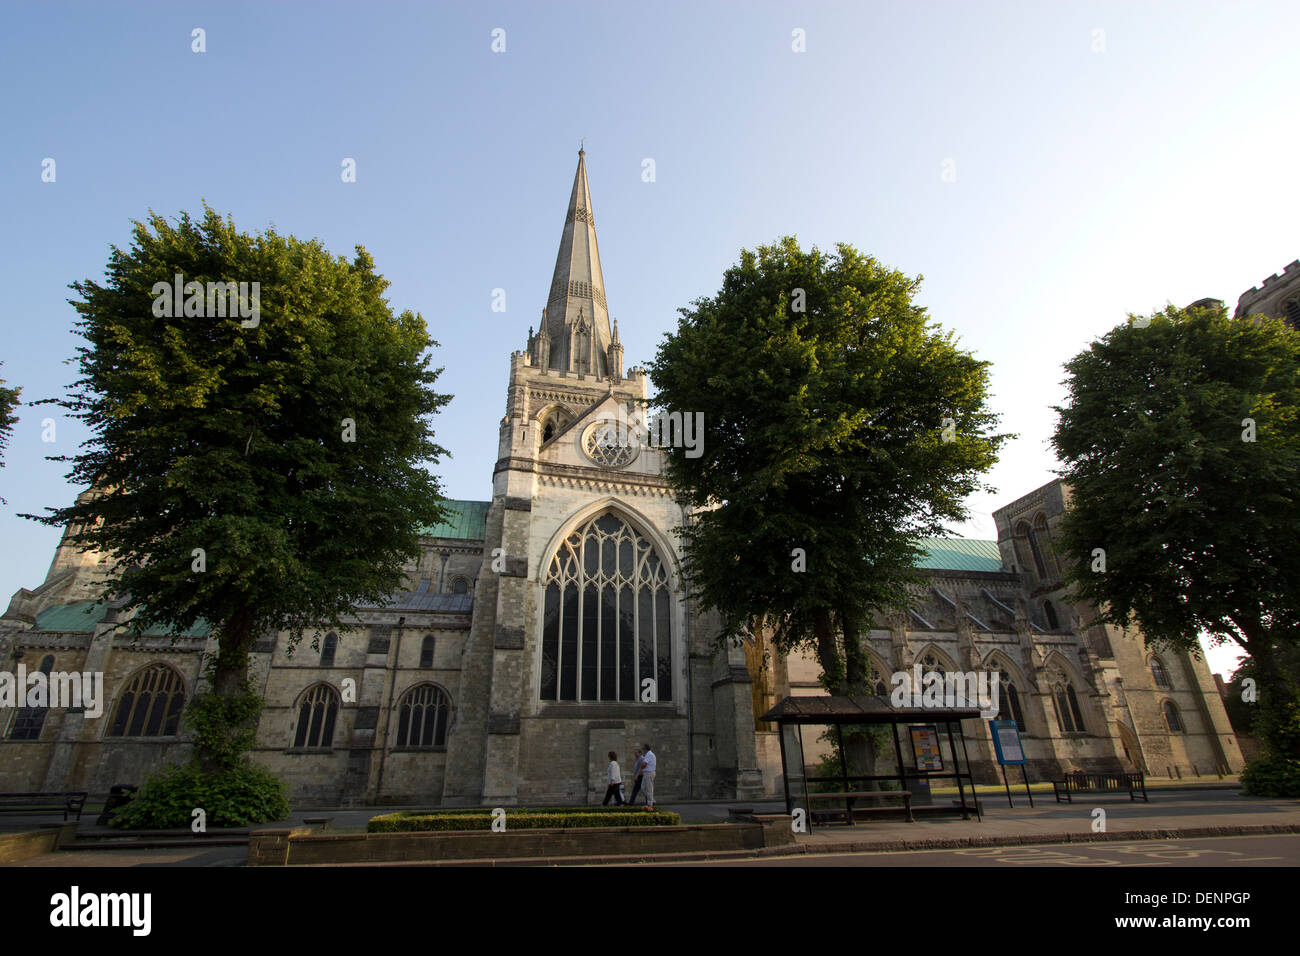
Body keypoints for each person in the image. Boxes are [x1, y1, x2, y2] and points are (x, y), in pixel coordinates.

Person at [640, 743, 656, 809]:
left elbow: (644, 764)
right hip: (646, 772)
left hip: (649, 772)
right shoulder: (648, 754)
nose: (643, 750)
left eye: (643, 749)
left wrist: (641, 766)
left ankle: (650, 804)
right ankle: (652, 800)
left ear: (645, 749)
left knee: (649, 788)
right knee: (643, 787)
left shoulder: (649, 754)